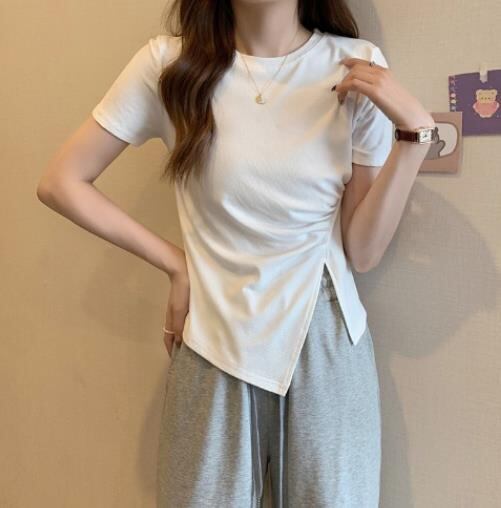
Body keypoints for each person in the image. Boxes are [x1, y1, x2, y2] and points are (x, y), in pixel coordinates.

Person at [37, 0, 437, 506]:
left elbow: (362, 251)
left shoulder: (355, 65)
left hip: (325, 335)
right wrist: (176, 263)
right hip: (212, 336)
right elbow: (62, 182)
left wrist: (414, 138)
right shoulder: (170, 66)